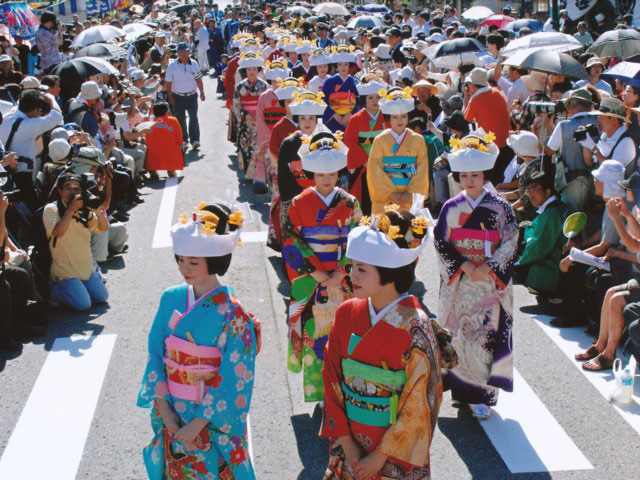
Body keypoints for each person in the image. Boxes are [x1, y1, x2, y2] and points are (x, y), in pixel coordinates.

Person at [137, 201, 260, 479]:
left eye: (193, 262)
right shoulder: (171, 297)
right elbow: (155, 352)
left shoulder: (234, 314)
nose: (185, 268)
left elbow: (234, 376)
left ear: (214, 261)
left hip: (210, 418)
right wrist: (165, 409)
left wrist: (198, 423)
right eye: (181, 260)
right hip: (173, 409)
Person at [321, 204, 445, 479]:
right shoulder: (347, 312)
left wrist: (379, 457)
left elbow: (420, 403)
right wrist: (348, 445)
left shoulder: (416, 327)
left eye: (362, 269)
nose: (351, 275)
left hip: (391, 455)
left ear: (390, 273)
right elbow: (331, 376)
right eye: (352, 266)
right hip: (349, 438)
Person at [434, 130, 519, 419]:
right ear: (458, 177)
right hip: (462, 281)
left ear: (485, 175)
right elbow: (441, 242)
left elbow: (510, 240)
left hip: (487, 284)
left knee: (484, 337)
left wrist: (491, 266)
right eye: (465, 176)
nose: (470, 180)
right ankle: (462, 393)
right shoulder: (451, 207)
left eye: (476, 175)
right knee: (458, 336)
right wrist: (465, 265)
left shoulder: (500, 207)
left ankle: (482, 394)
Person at [283, 132, 362, 403]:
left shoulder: (350, 203)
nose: (326, 179)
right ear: (311, 174)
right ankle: (319, 390)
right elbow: (291, 240)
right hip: (312, 276)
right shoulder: (299, 202)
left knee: (347, 330)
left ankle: (347, 386)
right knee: (314, 331)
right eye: (320, 174)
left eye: (331, 173)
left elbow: (358, 236)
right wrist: (314, 271)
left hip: (343, 277)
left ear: (338, 171)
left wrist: (342, 270)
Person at [43, 172, 110, 311]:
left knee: (102, 297)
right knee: (84, 304)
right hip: (65, 272)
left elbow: (103, 228)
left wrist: (97, 210)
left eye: (76, 188)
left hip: (85, 268)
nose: (73, 192)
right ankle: (53, 291)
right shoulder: (51, 209)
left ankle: (78, 288)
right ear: (59, 190)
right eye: (68, 188)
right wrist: (71, 209)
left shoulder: (85, 208)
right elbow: (58, 232)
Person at [367, 87, 429, 214]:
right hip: (387, 199)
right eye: (395, 117)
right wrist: (391, 193)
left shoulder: (418, 139)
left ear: (408, 117)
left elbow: (422, 170)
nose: (399, 121)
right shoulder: (380, 140)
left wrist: (410, 193)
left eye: (403, 116)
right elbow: (374, 169)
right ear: (389, 118)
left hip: (410, 198)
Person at [515, 170, 569, 295]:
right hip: (552, 256)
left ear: (548, 191)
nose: (530, 194)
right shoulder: (556, 207)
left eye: (535, 189)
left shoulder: (551, 214)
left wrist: (518, 262)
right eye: (528, 190)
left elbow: (538, 247)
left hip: (552, 266)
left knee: (515, 270)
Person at [545, 88, 598, 212]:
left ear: (572, 105)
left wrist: (548, 129)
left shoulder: (564, 126)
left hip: (574, 181)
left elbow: (549, 151)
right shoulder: (600, 122)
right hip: (599, 181)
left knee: (572, 222)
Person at [344, 75, 388, 216]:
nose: (375, 101)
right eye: (370, 98)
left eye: (378, 97)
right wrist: (366, 161)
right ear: (364, 100)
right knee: (366, 201)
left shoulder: (388, 116)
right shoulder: (355, 119)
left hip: (386, 164)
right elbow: (350, 143)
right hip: (364, 166)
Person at [463, 68, 512, 184]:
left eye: (468, 85)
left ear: (473, 85)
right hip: (507, 144)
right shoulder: (497, 91)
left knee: (492, 182)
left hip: (492, 148)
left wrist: (466, 97)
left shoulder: (475, 99)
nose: (467, 88)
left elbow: (467, 118)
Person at [579, 97, 637, 178]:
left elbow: (611, 171)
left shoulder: (626, 142)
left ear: (613, 120)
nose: (597, 120)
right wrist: (586, 142)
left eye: (601, 116)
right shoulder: (605, 136)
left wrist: (594, 148)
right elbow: (590, 162)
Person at [232, 51, 268, 175]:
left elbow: (267, 105)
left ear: (258, 69)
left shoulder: (264, 86)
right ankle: (249, 173)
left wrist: (260, 117)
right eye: (249, 69)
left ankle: (260, 173)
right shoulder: (240, 86)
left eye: (254, 68)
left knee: (261, 147)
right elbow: (236, 105)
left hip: (261, 121)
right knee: (246, 147)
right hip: (246, 121)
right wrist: (245, 115)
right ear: (245, 71)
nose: (252, 71)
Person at [166, 42, 206, 150]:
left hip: (192, 95)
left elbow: (198, 78)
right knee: (180, 119)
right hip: (178, 96)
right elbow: (168, 82)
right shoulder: (172, 65)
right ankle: (183, 139)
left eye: (186, 51)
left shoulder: (194, 63)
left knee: (193, 117)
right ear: (178, 53)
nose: (184, 54)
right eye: (181, 52)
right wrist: (170, 96)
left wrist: (202, 92)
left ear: (189, 52)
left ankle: (195, 140)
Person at [322, 45, 358, 132]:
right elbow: (323, 101)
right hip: (333, 120)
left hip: (351, 119)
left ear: (350, 65)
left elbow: (360, 102)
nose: (343, 67)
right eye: (340, 64)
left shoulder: (355, 82)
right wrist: (335, 115)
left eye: (346, 64)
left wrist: (350, 114)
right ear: (336, 65)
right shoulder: (329, 81)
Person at [145, 102, 184, 179]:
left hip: (155, 151)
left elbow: (147, 140)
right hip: (170, 150)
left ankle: (153, 172)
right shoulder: (173, 120)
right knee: (176, 147)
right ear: (167, 112)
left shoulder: (150, 123)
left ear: (154, 112)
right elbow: (179, 136)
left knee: (150, 150)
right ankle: (171, 170)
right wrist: (180, 144)